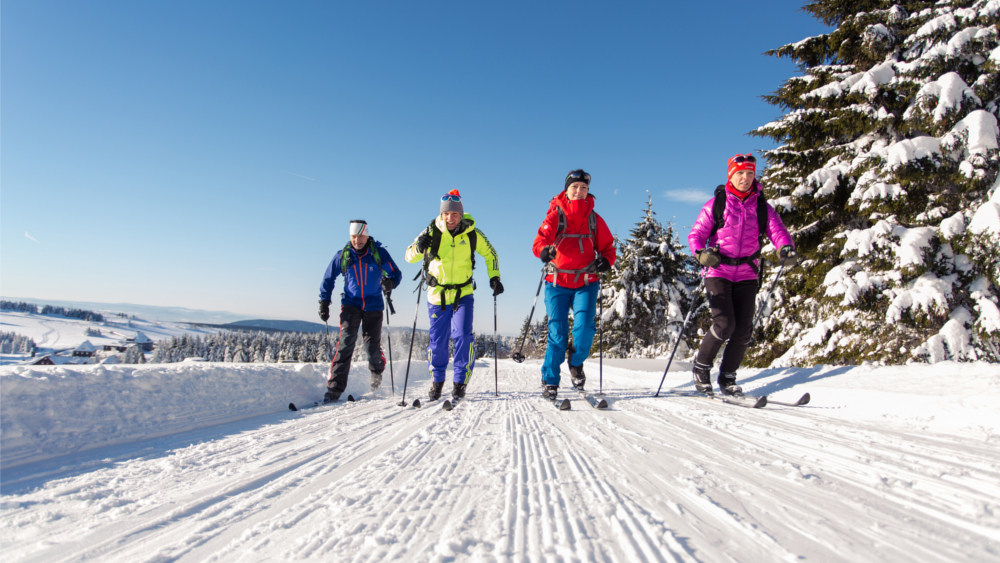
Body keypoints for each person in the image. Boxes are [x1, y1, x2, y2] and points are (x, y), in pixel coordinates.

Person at [687, 154, 797, 396]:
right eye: (740, 173)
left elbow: (778, 231)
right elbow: (695, 235)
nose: (745, 178)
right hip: (718, 270)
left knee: (744, 328)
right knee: (725, 323)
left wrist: (785, 246)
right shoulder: (716, 204)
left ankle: (727, 376)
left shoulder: (761, 207)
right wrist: (701, 254)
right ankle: (701, 367)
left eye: (749, 173)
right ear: (731, 176)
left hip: (747, 272)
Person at [405, 190, 502, 401]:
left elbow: (490, 253)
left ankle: (459, 383)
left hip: (463, 294)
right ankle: (437, 381)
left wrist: (494, 277)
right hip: (436, 295)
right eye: (447, 214)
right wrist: (418, 248)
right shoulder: (431, 231)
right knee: (438, 342)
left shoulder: (472, 233)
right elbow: (409, 255)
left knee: (463, 337)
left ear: (461, 214)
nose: (450, 218)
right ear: (442, 214)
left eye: (455, 214)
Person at [531, 170, 616, 400]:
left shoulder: (594, 219)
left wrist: (605, 260)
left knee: (584, 330)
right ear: (567, 190)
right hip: (557, 282)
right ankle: (550, 379)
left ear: (588, 191)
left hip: (586, 282)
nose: (579, 192)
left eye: (584, 188)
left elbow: (608, 248)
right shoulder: (555, 215)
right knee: (557, 333)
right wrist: (545, 251)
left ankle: (575, 364)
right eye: (575, 187)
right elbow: (540, 241)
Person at [318, 219, 403, 402]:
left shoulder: (378, 254)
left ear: (367, 236)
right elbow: (328, 278)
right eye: (354, 236)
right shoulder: (344, 256)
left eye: (361, 236)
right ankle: (334, 388)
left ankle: (377, 372)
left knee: (371, 347)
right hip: (351, 304)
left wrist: (391, 282)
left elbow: (396, 273)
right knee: (346, 343)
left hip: (374, 306)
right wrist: (324, 301)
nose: (357, 240)